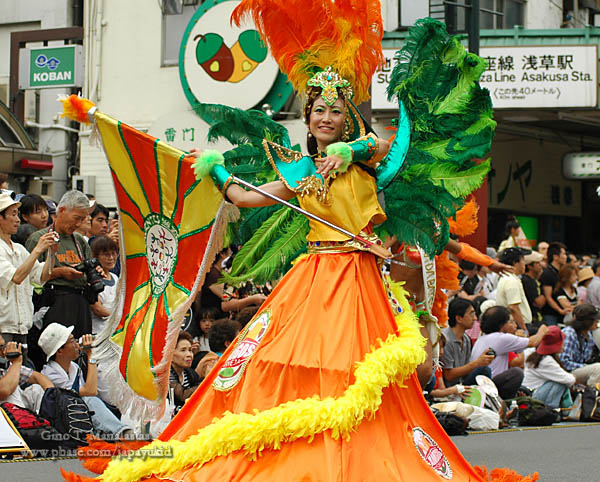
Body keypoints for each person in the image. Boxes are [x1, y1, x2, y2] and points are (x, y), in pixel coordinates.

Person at [39, 323, 131, 438]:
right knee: (89, 399)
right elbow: (90, 392)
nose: (77, 344)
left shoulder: (74, 368)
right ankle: (122, 433)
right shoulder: (51, 374)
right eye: (72, 341)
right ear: (59, 351)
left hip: (80, 418)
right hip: (64, 421)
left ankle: (119, 432)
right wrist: (91, 355)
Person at [26, 190, 97, 338]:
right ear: (62, 210)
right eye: (76, 218)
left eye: (82, 220)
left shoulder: (79, 240)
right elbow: (28, 277)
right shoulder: (40, 238)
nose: (78, 224)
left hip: (81, 302)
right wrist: (60, 273)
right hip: (55, 302)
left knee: (83, 349)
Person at [0, 192, 56, 363]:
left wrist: (51, 254)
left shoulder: (19, 249)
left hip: (22, 328)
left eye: (17, 214)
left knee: (21, 381)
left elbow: (41, 276)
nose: (17, 220)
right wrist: (38, 249)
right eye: (13, 215)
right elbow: (16, 277)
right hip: (3, 328)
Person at [471, 306, 548, 399]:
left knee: (524, 390)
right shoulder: (501, 338)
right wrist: (543, 329)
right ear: (501, 324)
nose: (513, 325)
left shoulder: (483, 338)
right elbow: (533, 342)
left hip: (483, 383)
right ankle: (506, 401)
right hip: (488, 385)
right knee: (517, 373)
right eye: (510, 322)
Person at [441, 298, 493, 388]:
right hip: (450, 387)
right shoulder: (445, 339)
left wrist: (482, 361)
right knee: (484, 370)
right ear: (459, 318)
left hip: (463, 383)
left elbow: (465, 371)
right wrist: (477, 363)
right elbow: (449, 375)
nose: (475, 318)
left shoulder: (466, 339)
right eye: (471, 314)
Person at [523, 326, 575, 410]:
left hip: (533, 394)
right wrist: (574, 377)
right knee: (560, 382)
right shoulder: (546, 360)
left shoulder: (538, 356)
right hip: (533, 398)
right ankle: (551, 409)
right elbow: (569, 380)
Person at [0, 335, 53, 412]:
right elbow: (4, 390)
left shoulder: (5, 366)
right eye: (0, 347)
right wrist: (16, 362)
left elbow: (37, 377)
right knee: (12, 392)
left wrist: (54, 396)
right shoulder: (14, 364)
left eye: (3, 346)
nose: (3, 351)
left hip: (15, 414)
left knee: (36, 389)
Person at [558, 303, 600, 387]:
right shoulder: (569, 333)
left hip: (578, 369)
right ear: (587, 322)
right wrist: (585, 366)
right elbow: (563, 362)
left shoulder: (588, 334)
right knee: (598, 369)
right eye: (595, 320)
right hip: (566, 372)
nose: (597, 322)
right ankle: (590, 395)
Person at [495, 247, 532, 332]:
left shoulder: (507, 278)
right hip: (516, 326)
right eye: (523, 260)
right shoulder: (511, 280)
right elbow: (513, 307)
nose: (524, 264)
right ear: (515, 263)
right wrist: (524, 329)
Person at [89, 236, 119, 335]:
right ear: (96, 257)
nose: (111, 258)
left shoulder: (115, 278)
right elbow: (97, 309)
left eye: (113, 253)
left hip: (114, 332)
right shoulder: (92, 279)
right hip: (98, 332)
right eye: (106, 255)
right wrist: (118, 318)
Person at [169, 331, 202, 412]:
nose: (189, 354)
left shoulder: (189, 373)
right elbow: (183, 396)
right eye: (183, 350)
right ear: (170, 354)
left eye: (190, 350)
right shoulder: (165, 375)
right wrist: (208, 380)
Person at [539, 242, 568, 325]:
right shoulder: (548, 273)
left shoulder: (561, 272)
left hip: (561, 314)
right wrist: (560, 310)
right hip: (550, 314)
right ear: (555, 256)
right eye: (563, 254)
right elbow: (548, 297)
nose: (566, 257)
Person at [520, 250, 545, 326]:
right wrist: (544, 295)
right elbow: (539, 303)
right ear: (530, 266)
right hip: (531, 320)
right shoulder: (527, 281)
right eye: (537, 263)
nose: (540, 265)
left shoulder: (534, 280)